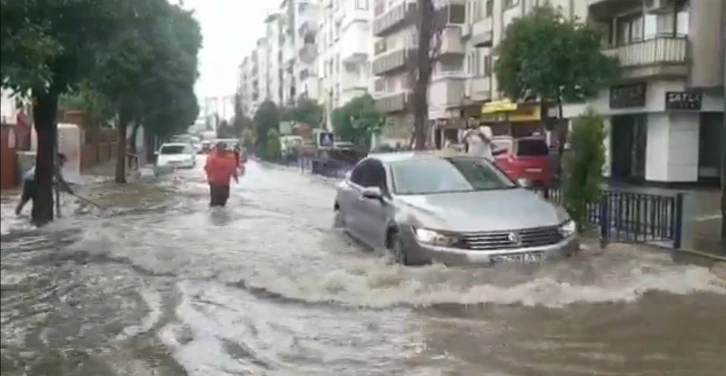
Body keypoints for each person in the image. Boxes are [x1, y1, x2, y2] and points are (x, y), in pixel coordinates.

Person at [204, 141, 238, 207]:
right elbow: (207, 168)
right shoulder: (212, 157)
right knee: (214, 201)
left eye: (223, 147)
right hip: (214, 182)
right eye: (219, 148)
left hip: (224, 183)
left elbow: (233, 168)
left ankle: (221, 213)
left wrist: (235, 177)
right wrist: (209, 178)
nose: (221, 149)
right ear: (217, 148)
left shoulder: (229, 158)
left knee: (224, 199)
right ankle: (214, 214)